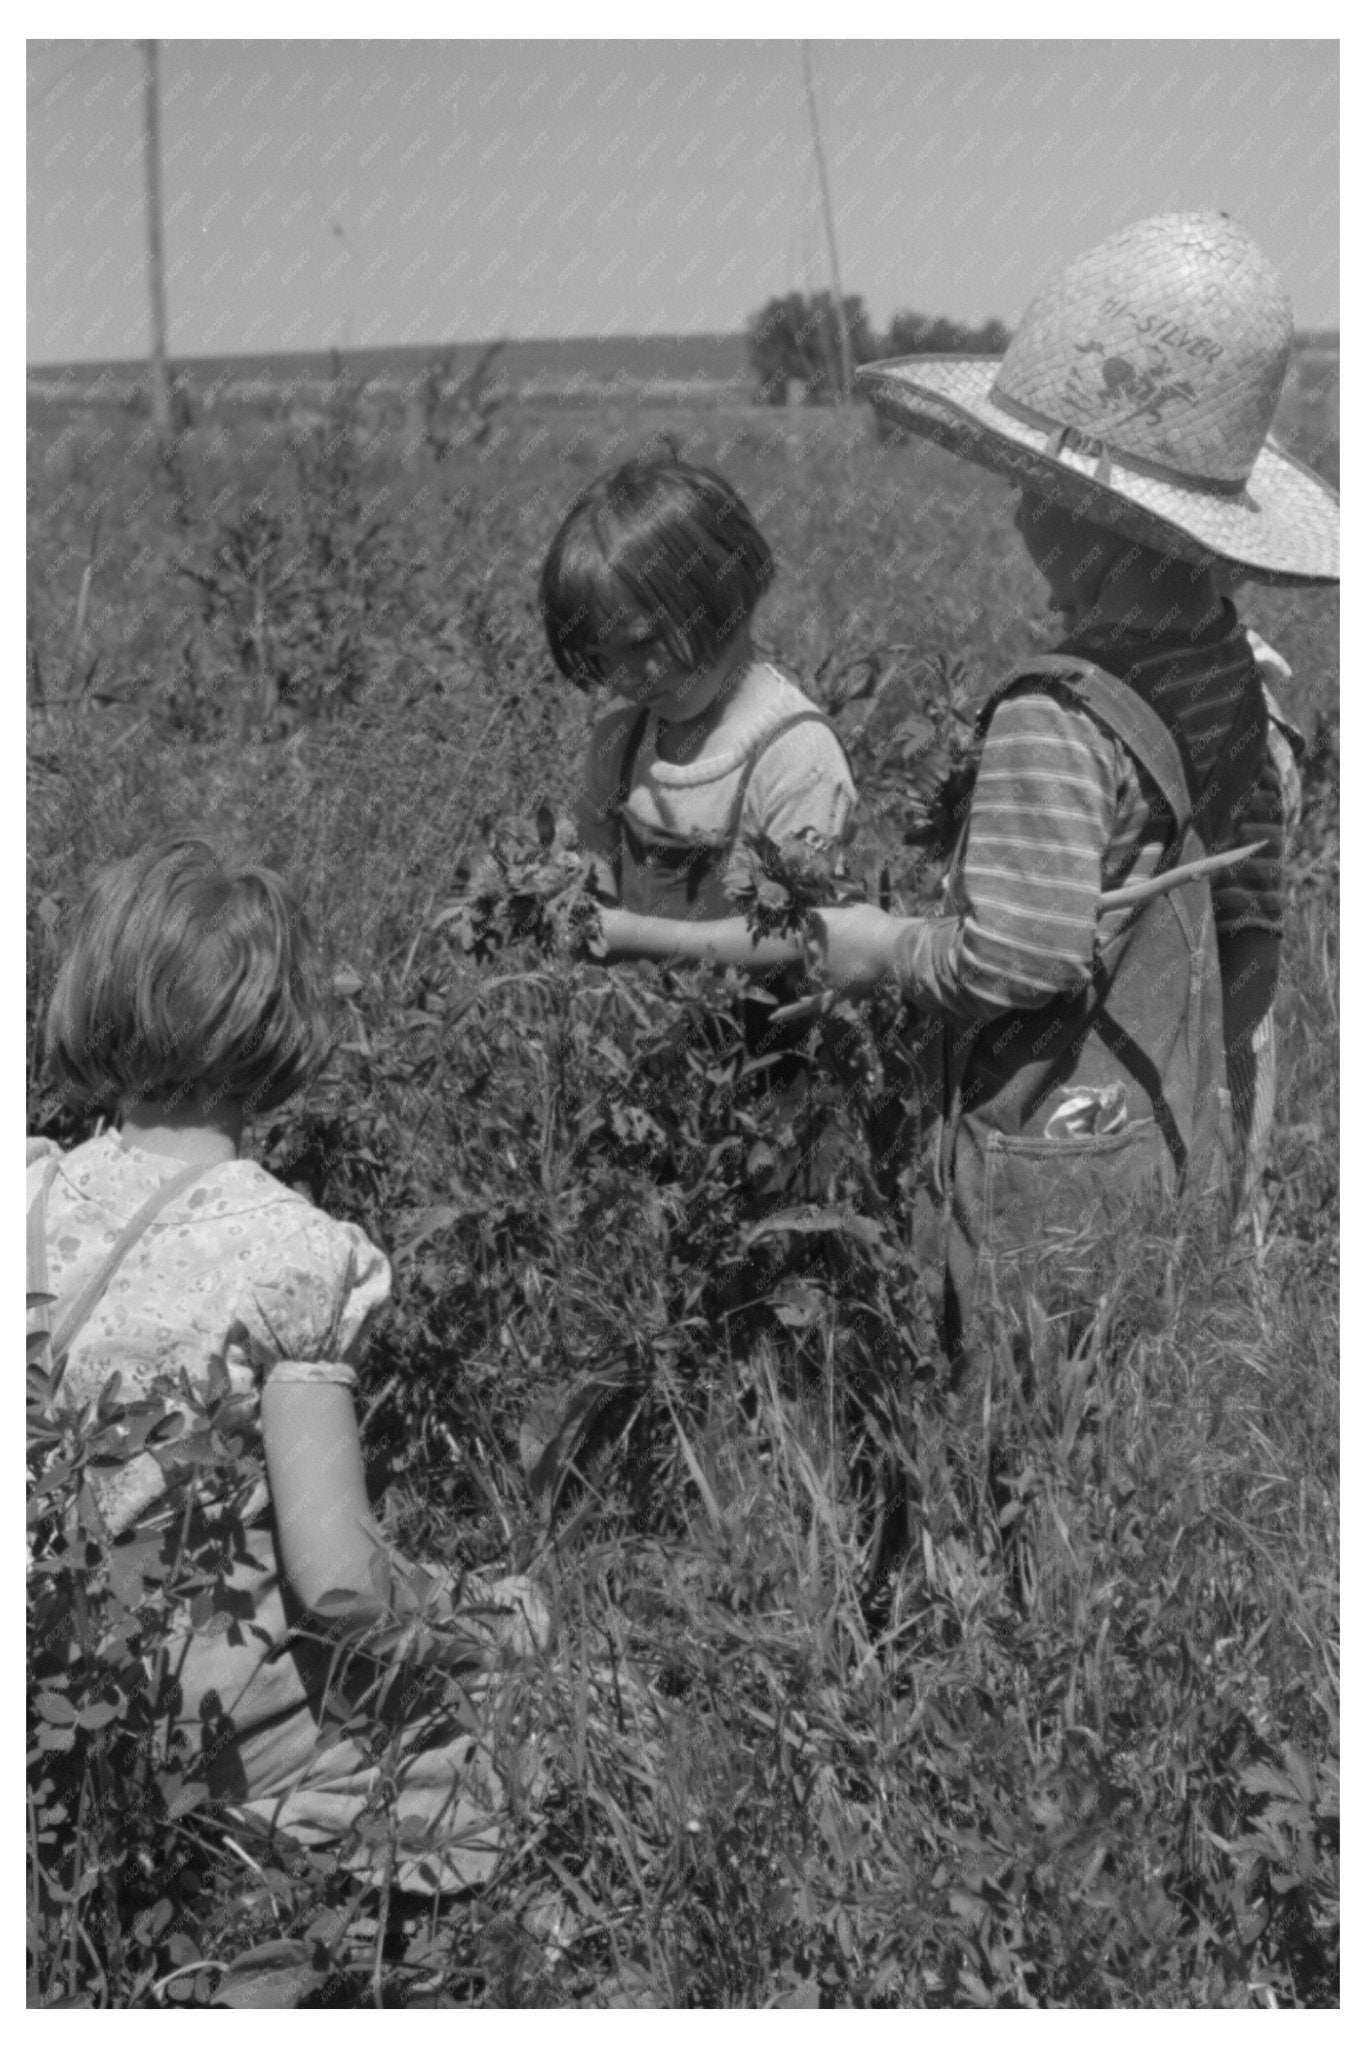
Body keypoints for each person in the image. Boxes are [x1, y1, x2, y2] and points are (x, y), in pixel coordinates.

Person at [807, 212, 1337, 1367]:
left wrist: (880, 946)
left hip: (1055, 1163)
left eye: (1033, 482)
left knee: (1024, 1421)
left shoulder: (1054, 718)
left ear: (1095, 523)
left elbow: (1017, 960)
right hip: (1177, 1132)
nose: (1014, 507)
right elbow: (1247, 918)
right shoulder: (1231, 673)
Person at [26, 838, 547, 1894]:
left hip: (43, 1676)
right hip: (193, 1720)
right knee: (517, 1724)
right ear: (279, 1028)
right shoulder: (289, 1257)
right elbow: (341, 1582)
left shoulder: (27, 1191)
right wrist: (470, 1618)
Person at [540, 454, 855, 1037]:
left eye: (641, 644)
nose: (624, 677)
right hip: (649, 1042)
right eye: (602, 658)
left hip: (770, 1057)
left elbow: (809, 934)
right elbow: (595, 859)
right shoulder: (619, 743)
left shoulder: (794, 754)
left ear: (723, 595)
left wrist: (636, 936)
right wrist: (575, 898)